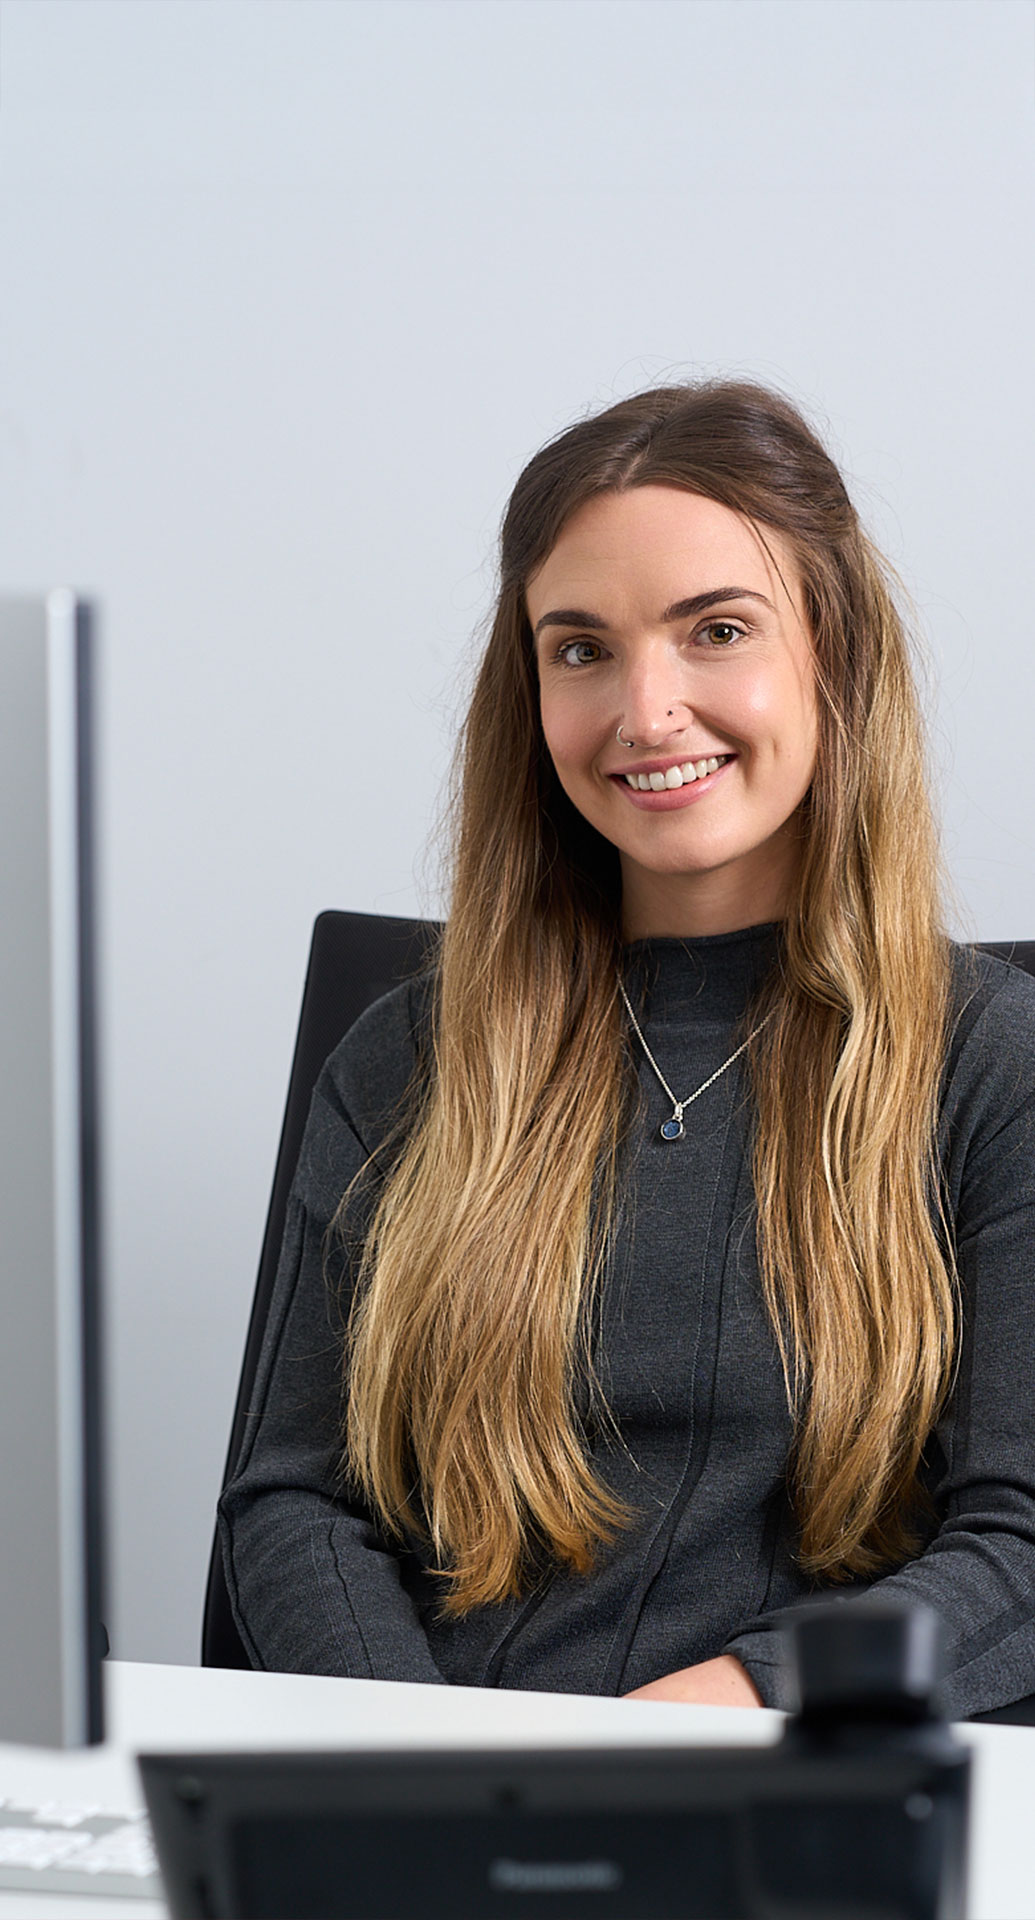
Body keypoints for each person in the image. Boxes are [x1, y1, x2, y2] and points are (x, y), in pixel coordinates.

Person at [219, 381, 1035, 1715]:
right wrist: (426, 1763)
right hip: (434, 1783)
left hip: (788, 1782)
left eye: (718, 630)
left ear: (835, 653)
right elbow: (293, 1506)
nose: (646, 712)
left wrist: (718, 1713)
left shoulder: (993, 1065)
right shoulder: (408, 1058)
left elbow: (1021, 1556)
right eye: (582, 649)